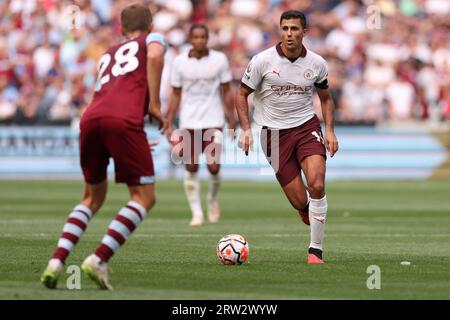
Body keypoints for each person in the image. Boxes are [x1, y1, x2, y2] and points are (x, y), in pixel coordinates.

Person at [40, 4, 168, 290]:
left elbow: (110, 91)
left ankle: (56, 262)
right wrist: (154, 105)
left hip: (92, 118)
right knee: (144, 197)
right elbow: (156, 54)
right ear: (150, 27)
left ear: (121, 29)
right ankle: (98, 259)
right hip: (122, 120)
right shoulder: (153, 40)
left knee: (91, 198)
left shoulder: (109, 53)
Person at [236, 10, 339, 264]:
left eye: (294, 29)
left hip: (306, 127)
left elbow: (325, 98)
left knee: (316, 183)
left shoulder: (316, 63)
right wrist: (246, 129)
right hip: (272, 135)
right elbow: (240, 94)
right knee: (299, 200)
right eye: (285, 29)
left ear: (305, 32)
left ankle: (315, 250)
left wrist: (330, 131)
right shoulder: (262, 61)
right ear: (280, 31)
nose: (289, 34)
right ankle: (306, 210)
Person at [165, 24, 236, 227]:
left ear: (208, 38)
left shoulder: (219, 59)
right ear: (190, 38)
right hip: (189, 121)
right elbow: (176, 93)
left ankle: (212, 200)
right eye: (196, 37)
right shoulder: (179, 62)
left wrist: (231, 117)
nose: (200, 40)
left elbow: (226, 91)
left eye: (203, 36)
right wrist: (169, 119)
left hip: (213, 120)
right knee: (191, 165)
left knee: (213, 167)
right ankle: (196, 212)